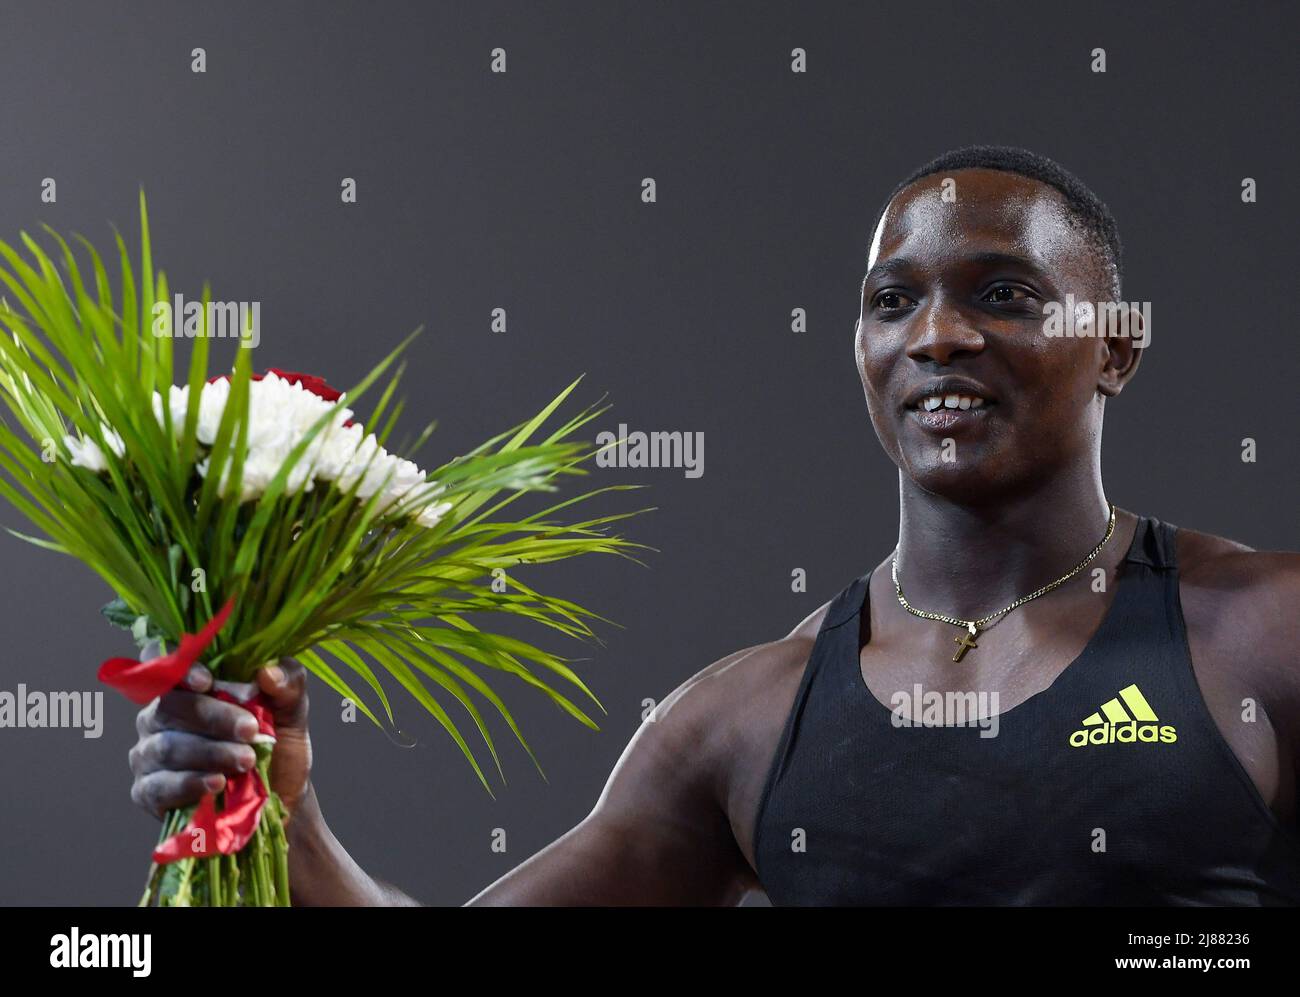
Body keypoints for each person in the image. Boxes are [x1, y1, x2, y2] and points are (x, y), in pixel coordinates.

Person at [127, 146, 1300, 905]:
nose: (936, 335)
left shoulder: (1257, 634)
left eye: (1003, 293)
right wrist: (285, 808)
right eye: (893, 302)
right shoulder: (749, 715)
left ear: (1119, 344)